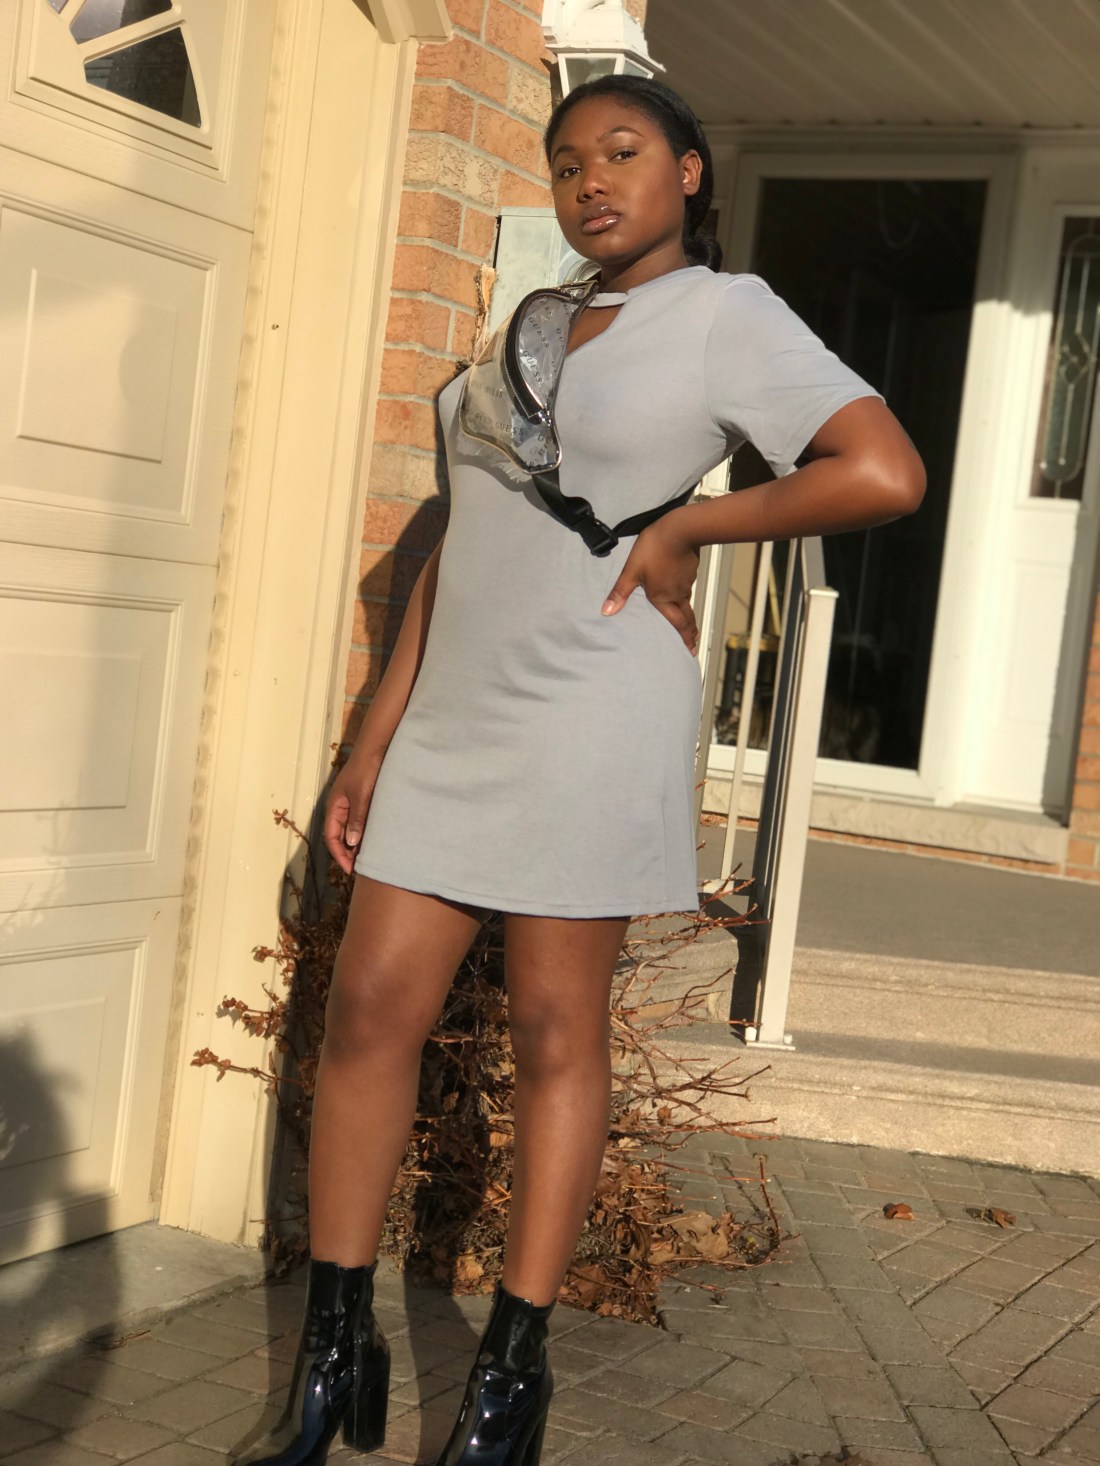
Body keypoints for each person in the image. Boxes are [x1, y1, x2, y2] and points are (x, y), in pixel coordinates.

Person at [241, 74, 925, 1466]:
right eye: (566, 163)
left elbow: (883, 471)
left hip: (591, 709)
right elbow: (463, 541)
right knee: (367, 1011)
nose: (590, 181)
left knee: (558, 1032)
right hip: (455, 718)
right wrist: (370, 743)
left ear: (689, 171)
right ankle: (335, 1348)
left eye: (622, 152)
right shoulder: (533, 325)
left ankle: (509, 1376)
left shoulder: (728, 315)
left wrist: (692, 531)